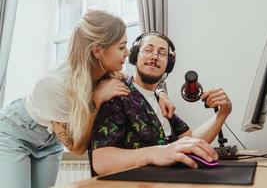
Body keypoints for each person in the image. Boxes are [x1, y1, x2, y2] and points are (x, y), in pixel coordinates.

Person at [0, 10, 175, 188]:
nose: (128, 52)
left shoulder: (110, 73)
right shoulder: (55, 86)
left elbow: (138, 84)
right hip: (15, 133)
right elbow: (77, 148)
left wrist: (160, 94)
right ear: (98, 50)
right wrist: (95, 100)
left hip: (50, 140)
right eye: (121, 47)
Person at [91, 32, 232, 176]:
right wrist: (157, 152)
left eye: (162, 53)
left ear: (168, 64)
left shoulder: (162, 101)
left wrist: (223, 113)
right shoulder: (116, 93)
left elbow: (191, 140)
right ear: (135, 56)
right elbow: (102, 161)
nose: (154, 56)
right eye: (148, 50)